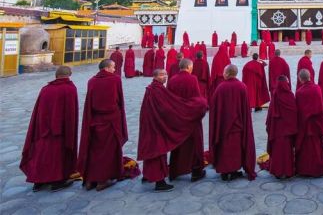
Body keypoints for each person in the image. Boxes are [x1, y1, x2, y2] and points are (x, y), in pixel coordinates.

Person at [138, 68, 207, 192]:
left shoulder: (156, 88)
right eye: (162, 75)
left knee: (152, 149)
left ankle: (148, 175)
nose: (165, 77)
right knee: (157, 150)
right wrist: (188, 109)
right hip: (156, 125)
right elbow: (168, 107)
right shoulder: (156, 90)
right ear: (155, 76)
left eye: (165, 74)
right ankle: (159, 182)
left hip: (151, 123)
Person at [20, 66, 78, 192]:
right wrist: (70, 132)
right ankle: (57, 181)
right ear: (69, 75)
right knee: (56, 156)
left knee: (40, 153)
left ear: (56, 76)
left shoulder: (45, 89)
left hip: (43, 128)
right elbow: (71, 113)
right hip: (60, 130)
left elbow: (37, 111)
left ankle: (38, 181)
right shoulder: (70, 88)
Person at [77, 59, 127, 191]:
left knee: (94, 149)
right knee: (108, 151)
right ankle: (102, 180)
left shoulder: (91, 81)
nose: (114, 70)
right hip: (111, 119)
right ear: (107, 67)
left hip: (95, 119)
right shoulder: (115, 80)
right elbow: (119, 99)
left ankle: (89, 180)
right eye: (113, 67)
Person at [209, 64, 257, 181]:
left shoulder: (220, 88)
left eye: (224, 72)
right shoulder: (242, 87)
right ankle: (234, 170)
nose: (223, 74)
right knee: (235, 149)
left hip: (223, 125)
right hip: (238, 126)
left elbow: (214, 108)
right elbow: (246, 108)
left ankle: (225, 172)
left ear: (228, 73)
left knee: (225, 149)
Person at [166, 59, 206, 182]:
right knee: (195, 144)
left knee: (177, 144)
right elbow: (196, 98)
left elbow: (169, 98)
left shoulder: (172, 80)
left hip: (177, 117)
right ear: (188, 67)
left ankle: (175, 171)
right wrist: (203, 105)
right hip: (191, 117)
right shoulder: (192, 79)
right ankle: (196, 171)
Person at [295, 69, 323, 177]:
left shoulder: (299, 92)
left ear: (300, 79)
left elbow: (299, 111)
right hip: (317, 123)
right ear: (310, 77)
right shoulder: (317, 89)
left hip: (305, 125)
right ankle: (320, 168)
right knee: (317, 146)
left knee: (307, 148)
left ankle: (306, 169)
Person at [265, 75, 297, 179]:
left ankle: (277, 171)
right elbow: (294, 112)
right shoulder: (290, 95)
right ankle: (288, 171)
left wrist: (270, 126)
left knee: (278, 150)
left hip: (277, 130)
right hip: (287, 130)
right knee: (287, 151)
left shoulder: (275, 95)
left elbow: (270, 114)